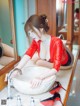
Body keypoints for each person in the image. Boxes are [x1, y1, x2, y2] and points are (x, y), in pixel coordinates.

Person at [9, 14, 73, 88]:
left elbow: (56, 69)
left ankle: (63, 48)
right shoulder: (36, 41)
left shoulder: (57, 42)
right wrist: (17, 69)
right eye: (29, 33)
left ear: (41, 28)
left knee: (39, 62)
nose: (30, 35)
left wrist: (40, 77)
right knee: (33, 59)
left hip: (65, 63)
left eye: (32, 31)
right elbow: (28, 54)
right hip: (52, 58)